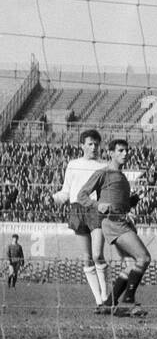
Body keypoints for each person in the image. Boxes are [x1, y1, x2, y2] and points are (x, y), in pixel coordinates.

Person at [76, 138, 151, 317]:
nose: (125, 154)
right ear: (111, 153)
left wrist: (136, 198)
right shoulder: (103, 173)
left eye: (126, 150)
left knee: (131, 264)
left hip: (122, 220)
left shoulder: (123, 178)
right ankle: (128, 301)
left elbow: (123, 204)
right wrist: (96, 205)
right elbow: (82, 195)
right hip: (113, 222)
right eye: (120, 151)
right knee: (144, 258)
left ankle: (108, 303)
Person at [50, 128, 109, 306]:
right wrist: (53, 198)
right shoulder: (73, 164)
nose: (94, 147)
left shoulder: (103, 166)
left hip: (95, 210)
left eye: (96, 144)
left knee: (98, 254)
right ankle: (99, 301)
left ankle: (107, 297)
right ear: (82, 145)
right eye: (90, 144)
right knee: (87, 257)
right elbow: (66, 191)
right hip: (77, 210)